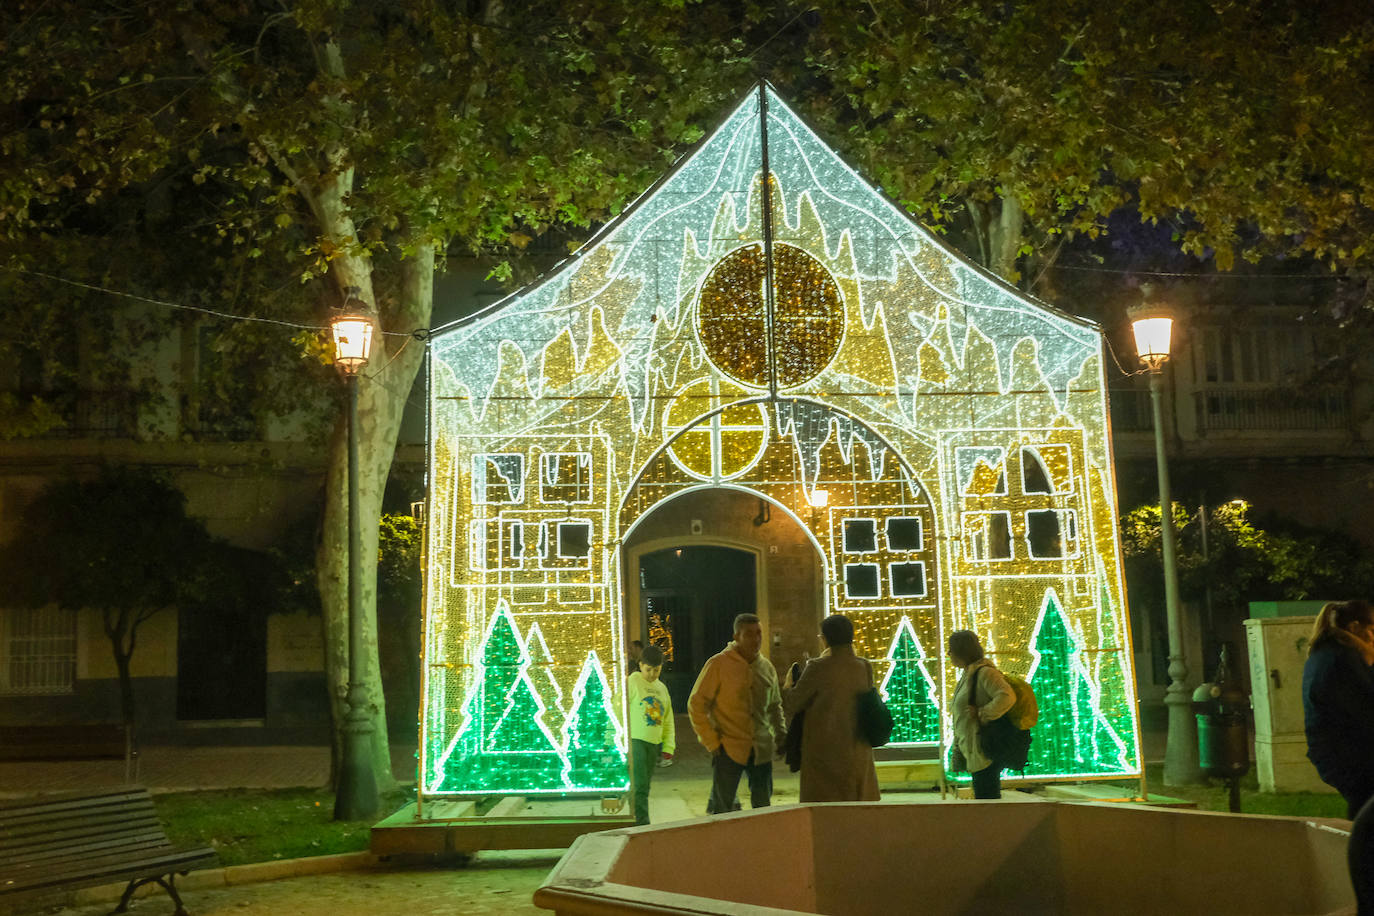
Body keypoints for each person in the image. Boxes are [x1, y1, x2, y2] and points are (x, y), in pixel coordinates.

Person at [687, 613, 786, 814]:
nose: (756, 639)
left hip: (761, 748)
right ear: (736, 636)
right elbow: (697, 704)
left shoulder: (766, 667)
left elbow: (775, 706)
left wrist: (781, 735)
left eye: (758, 633)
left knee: (763, 807)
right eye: (749, 634)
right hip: (728, 747)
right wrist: (711, 741)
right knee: (723, 808)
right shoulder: (719, 664)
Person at [782, 614, 880, 802]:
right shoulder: (863, 666)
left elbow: (794, 703)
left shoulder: (817, 667)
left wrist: (788, 685)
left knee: (827, 812)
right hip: (858, 751)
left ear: (824, 639)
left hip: (825, 754)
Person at [1302, 599, 1374, 820]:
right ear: (1354, 628)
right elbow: (1364, 709)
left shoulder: (1327, 652)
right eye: (1372, 629)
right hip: (1351, 757)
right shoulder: (1344, 659)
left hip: (1338, 755)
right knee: (1365, 815)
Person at [947, 629, 1014, 799]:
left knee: (987, 800)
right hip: (975, 750)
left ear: (962, 651)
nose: (949, 654)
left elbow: (1007, 696)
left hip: (984, 750)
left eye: (951, 649)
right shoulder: (968, 674)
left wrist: (983, 713)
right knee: (984, 797)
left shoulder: (985, 673)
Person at [626, 644, 675, 826]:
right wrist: (610, 737)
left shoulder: (662, 689)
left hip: (653, 743)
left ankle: (639, 820)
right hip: (636, 741)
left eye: (657, 670)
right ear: (640, 665)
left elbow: (668, 719)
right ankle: (642, 823)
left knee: (645, 786)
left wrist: (668, 746)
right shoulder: (633, 682)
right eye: (649, 670)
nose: (652, 674)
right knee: (639, 785)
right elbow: (617, 708)